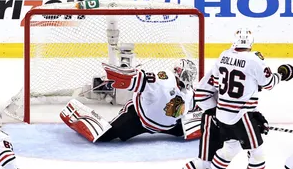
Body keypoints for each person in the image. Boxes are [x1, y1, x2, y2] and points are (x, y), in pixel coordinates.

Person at [196, 28, 293, 169]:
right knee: (257, 151)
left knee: (230, 148)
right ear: (250, 42)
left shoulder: (223, 56)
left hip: (222, 113)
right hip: (242, 114)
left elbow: (221, 80)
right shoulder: (254, 59)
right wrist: (282, 74)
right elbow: (269, 83)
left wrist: (250, 83)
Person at [60, 59, 198, 142]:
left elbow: (198, 104)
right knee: (104, 136)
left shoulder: (189, 92)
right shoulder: (166, 79)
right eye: (188, 74)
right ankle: (78, 113)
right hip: (138, 119)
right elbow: (140, 80)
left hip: (166, 126)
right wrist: (123, 76)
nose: (188, 77)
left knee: (186, 129)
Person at [156, 68, 222, 169]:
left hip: (230, 120)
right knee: (205, 162)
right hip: (214, 121)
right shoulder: (220, 71)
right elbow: (201, 96)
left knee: (234, 148)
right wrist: (214, 112)